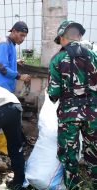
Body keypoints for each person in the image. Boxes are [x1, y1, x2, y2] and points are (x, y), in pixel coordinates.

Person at [48, 20, 97, 189]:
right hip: (94, 113)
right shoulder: (95, 56)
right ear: (80, 35)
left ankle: (72, 186)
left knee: (70, 154)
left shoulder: (57, 59)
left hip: (69, 115)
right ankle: (94, 182)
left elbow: (53, 94)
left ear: (62, 38)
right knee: (94, 150)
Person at [0, 21, 31, 93]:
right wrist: (20, 77)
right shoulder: (4, 44)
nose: (23, 39)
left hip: (7, 88)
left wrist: (15, 62)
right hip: (1, 89)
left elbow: (4, 61)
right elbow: (2, 68)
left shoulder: (11, 44)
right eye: (21, 35)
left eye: (24, 36)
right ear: (14, 31)